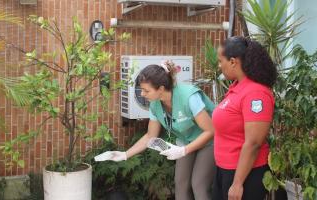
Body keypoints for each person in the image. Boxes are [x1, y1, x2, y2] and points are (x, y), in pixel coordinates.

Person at [98, 61, 216, 200]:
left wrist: (183, 150)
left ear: (160, 89)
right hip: (186, 141)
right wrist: (125, 154)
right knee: (181, 184)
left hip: (210, 141)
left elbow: (211, 130)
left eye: (146, 90)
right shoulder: (155, 105)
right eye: (141, 90)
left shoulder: (189, 96)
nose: (142, 94)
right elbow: (150, 136)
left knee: (199, 185)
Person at [212, 36, 277, 200]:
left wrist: (237, 183)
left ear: (233, 62)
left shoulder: (256, 93)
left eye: (221, 61)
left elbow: (254, 142)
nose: (219, 66)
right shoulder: (236, 87)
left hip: (244, 175)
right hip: (225, 169)